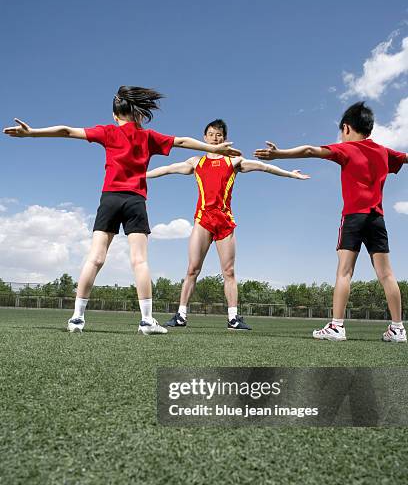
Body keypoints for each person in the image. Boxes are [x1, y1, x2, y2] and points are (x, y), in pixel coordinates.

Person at [3, 87, 241, 335]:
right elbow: (181, 141)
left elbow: (66, 130)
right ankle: (147, 321)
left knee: (95, 258)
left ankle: (76, 319)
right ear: (138, 114)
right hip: (135, 201)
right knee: (139, 260)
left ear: (116, 115)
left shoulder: (108, 132)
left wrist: (31, 134)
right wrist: (214, 149)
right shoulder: (148, 136)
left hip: (109, 199)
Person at [254, 101, 407, 342]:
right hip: (378, 218)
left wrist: (279, 154)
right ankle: (398, 329)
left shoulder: (347, 149)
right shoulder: (383, 152)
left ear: (346, 128)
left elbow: (309, 151)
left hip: (354, 217)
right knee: (387, 274)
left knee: (344, 271)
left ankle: (337, 326)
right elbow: (406, 159)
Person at [147, 119, 309, 330]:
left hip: (225, 222)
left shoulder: (234, 162)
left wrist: (290, 174)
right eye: (212, 134)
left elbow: (264, 167)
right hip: (203, 220)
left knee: (229, 271)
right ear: (204, 138)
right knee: (192, 269)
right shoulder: (197, 161)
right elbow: (168, 169)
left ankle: (233, 318)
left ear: (224, 138)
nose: (216, 137)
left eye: (219, 134)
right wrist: (140, 175)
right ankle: (180, 315)